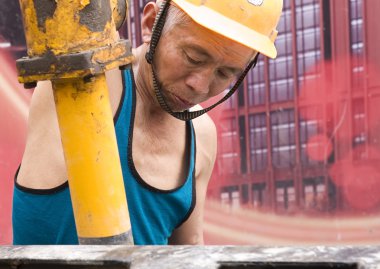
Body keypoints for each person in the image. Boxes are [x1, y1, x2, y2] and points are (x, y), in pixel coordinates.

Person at [12, 0, 283, 245]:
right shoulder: (82, 87)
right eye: (193, 58)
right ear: (151, 23)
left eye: (225, 73)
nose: (199, 86)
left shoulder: (201, 135)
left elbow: (188, 253)